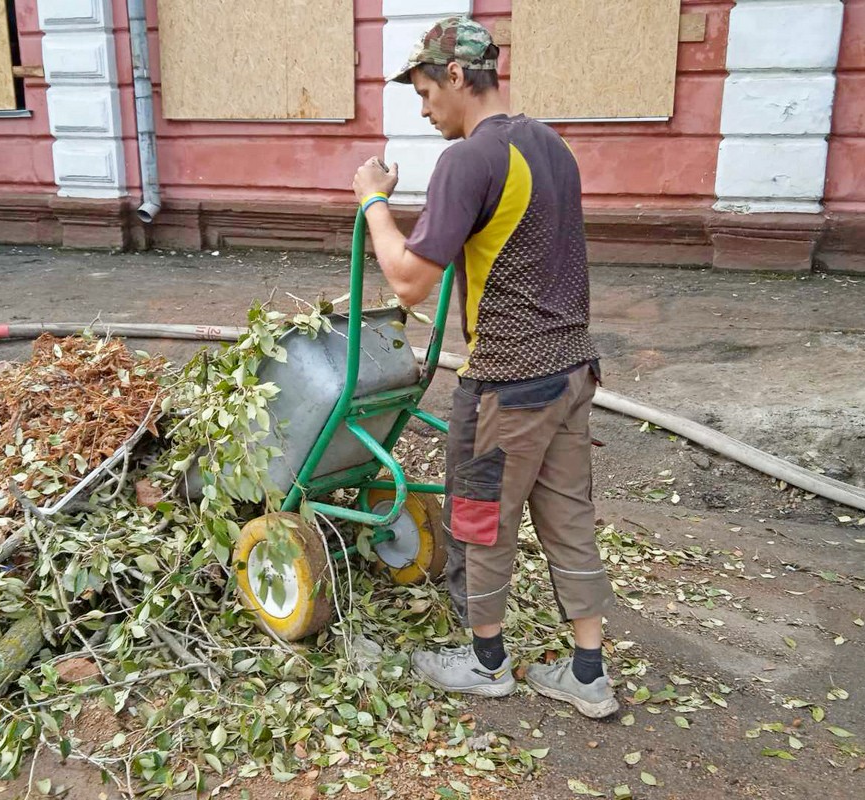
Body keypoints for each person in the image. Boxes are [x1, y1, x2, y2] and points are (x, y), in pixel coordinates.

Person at [350, 16, 618, 719]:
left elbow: (410, 284)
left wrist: (374, 204)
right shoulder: (553, 147)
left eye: (425, 89)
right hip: (572, 372)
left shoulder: (469, 158)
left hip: (510, 380)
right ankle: (588, 672)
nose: (423, 106)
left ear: (460, 77)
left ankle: (486, 661)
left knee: (479, 518)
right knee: (569, 518)